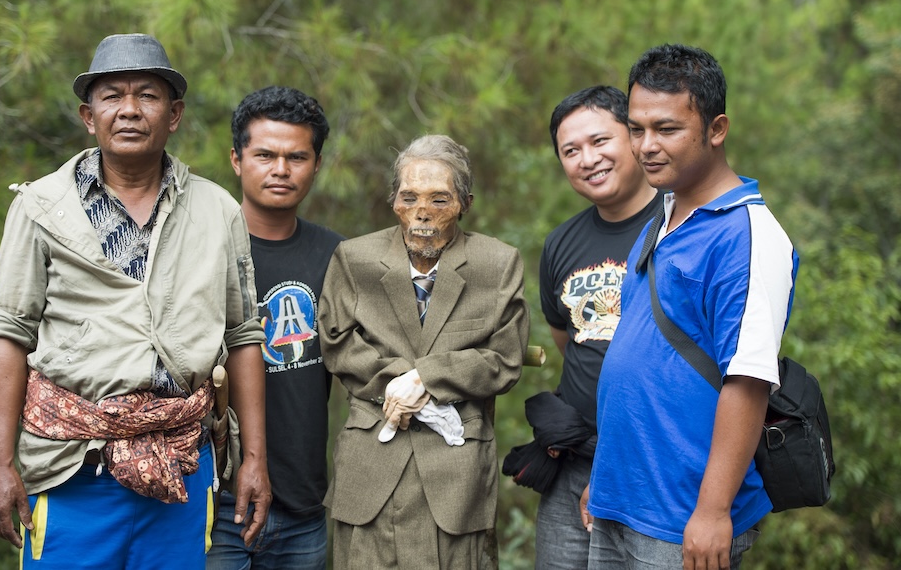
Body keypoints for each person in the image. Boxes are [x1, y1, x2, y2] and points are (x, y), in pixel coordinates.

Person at [0, 33, 271, 569]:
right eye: (112, 95)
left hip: (181, 467)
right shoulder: (41, 207)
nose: (130, 109)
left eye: (148, 95)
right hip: (70, 469)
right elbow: (9, 336)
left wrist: (254, 458)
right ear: (89, 117)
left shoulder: (218, 210)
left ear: (175, 114)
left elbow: (243, 337)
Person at [583, 44, 798, 570]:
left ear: (716, 129)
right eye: (636, 128)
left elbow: (747, 379)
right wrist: (603, 478)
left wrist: (713, 510)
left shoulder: (747, 235)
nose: (645, 146)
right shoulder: (667, 209)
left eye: (667, 129)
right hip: (621, 499)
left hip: (681, 517)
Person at [318, 134, 530, 569]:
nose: (422, 213)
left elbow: (504, 358)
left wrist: (427, 379)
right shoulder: (354, 259)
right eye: (409, 197)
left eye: (440, 200)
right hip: (371, 465)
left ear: (465, 203)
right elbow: (336, 341)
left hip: (455, 475)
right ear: (393, 199)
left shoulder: (498, 263)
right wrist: (398, 384)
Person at [207, 86, 343, 569]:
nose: (281, 169)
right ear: (237, 159)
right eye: (264, 154)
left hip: (304, 502)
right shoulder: (203, 252)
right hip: (215, 503)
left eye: (296, 156)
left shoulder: (338, 256)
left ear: (316, 163)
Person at [531, 86, 660, 570]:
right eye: (570, 151)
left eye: (599, 141)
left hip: (653, 460)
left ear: (633, 138)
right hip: (574, 455)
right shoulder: (561, 243)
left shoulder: (680, 225)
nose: (587, 159)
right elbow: (571, 341)